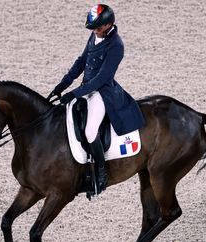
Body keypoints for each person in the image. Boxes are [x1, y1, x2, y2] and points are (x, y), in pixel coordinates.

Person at [48, 4, 145, 193]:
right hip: (87, 89)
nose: (95, 31)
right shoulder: (95, 35)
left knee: (91, 131)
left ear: (109, 25)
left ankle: (101, 173)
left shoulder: (116, 45)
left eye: (98, 28)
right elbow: (81, 63)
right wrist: (62, 85)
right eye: (93, 28)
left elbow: (102, 78)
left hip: (103, 93)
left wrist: (75, 93)